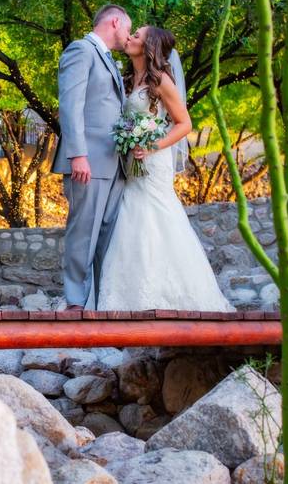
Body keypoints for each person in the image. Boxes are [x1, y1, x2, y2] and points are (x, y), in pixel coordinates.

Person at [95, 25, 234, 312]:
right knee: (131, 219)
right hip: (132, 159)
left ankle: (172, 295)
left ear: (149, 47)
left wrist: (152, 145)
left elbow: (185, 123)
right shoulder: (128, 79)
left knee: (155, 216)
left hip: (152, 160)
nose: (130, 37)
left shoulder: (161, 82)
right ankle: (127, 298)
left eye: (137, 36)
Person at [51, 4, 131, 310]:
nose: (128, 36)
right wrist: (78, 154)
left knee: (106, 237)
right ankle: (75, 303)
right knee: (83, 232)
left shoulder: (109, 60)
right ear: (114, 22)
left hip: (115, 164)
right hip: (89, 161)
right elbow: (70, 105)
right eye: (127, 28)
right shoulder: (81, 50)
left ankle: (98, 302)